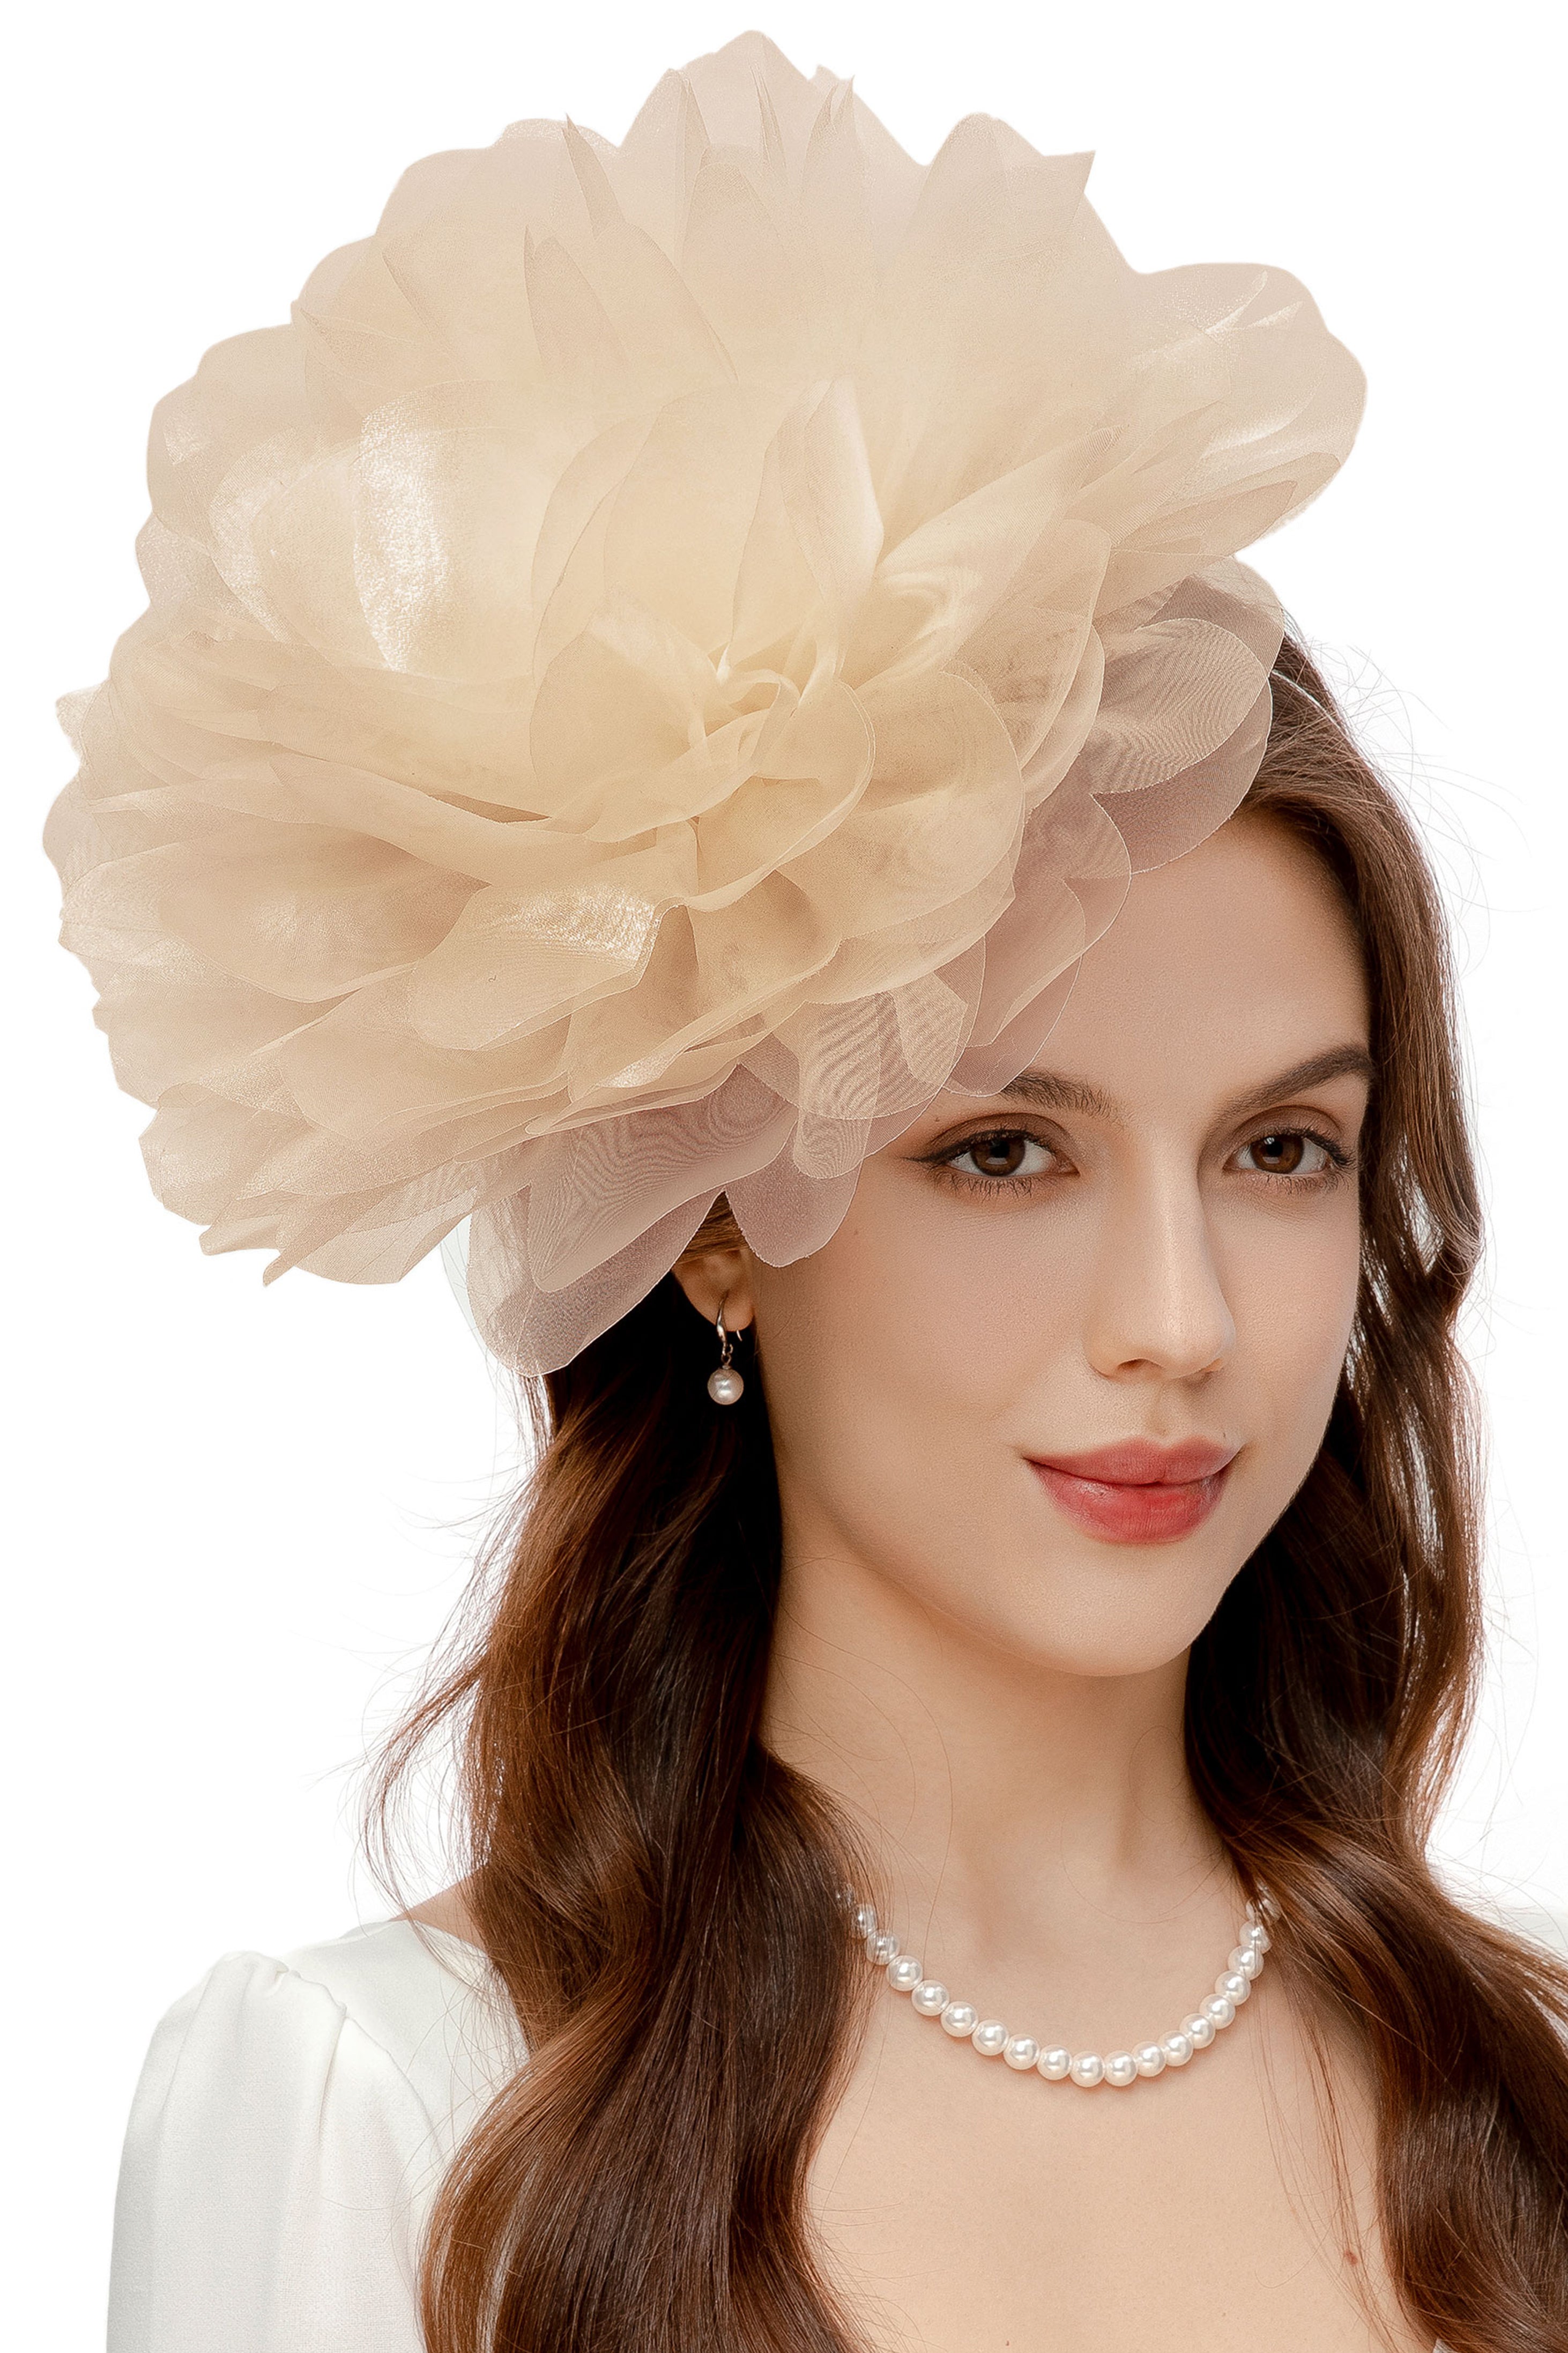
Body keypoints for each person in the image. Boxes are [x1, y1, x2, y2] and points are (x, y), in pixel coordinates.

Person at [49, 33, 1568, 2353]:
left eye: (1282, 1150)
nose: (1180, 1319)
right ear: (717, 1220)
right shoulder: (398, 2110)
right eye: (1003, 1149)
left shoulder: (1524, 2096)